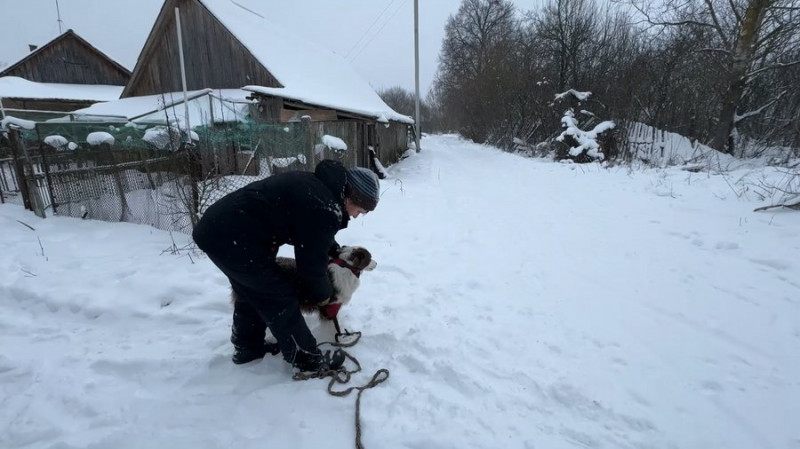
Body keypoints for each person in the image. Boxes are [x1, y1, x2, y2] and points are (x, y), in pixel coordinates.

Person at [192, 159, 380, 372]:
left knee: (251, 290)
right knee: (278, 296)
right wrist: (324, 296)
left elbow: (312, 235)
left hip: (222, 231)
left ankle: (247, 348)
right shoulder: (324, 205)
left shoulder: (320, 191)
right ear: (351, 197)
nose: (356, 216)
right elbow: (310, 264)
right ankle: (308, 360)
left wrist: (334, 250)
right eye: (361, 210)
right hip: (234, 237)